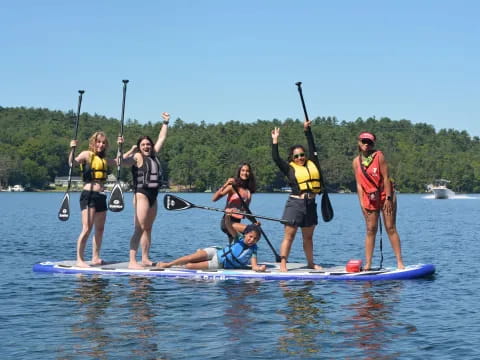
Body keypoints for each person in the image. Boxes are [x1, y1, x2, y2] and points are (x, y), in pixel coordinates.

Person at [271, 120, 323, 272]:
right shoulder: (289, 169)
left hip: (310, 204)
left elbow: (312, 146)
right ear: (292, 158)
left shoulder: (311, 162)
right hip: (295, 205)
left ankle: (310, 263)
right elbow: (275, 158)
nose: (300, 158)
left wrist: (307, 131)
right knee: (289, 236)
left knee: (308, 237)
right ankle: (283, 264)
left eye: (302, 155)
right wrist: (275, 141)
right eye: (297, 156)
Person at [122, 112, 170, 269]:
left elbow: (161, 138)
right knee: (139, 228)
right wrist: (127, 149)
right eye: (143, 145)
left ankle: (145, 258)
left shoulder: (154, 155)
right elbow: (122, 162)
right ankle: (132, 261)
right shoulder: (137, 157)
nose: (146, 146)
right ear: (139, 147)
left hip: (153, 196)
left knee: (148, 228)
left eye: (148, 144)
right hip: (141, 194)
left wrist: (165, 123)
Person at [352, 131, 405, 270]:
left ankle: (399, 262)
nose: (366, 144)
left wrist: (388, 198)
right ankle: (368, 263)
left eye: (369, 142)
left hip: (384, 194)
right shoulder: (356, 162)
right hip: (369, 198)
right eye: (363, 141)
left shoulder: (379, 156)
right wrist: (362, 203)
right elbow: (359, 185)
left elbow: (386, 177)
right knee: (370, 229)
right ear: (359, 142)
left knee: (390, 227)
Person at [69, 131, 123, 267]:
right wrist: (72, 148)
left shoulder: (104, 159)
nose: (101, 145)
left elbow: (118, 162)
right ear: (93, 142)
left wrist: (120, 146)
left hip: (101, 196)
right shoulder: (86, 154)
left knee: (100, 229)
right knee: (87, 228)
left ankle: (95, 257)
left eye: (103, 143)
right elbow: (72, 163)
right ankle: (80, 260)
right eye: (98, 142)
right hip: (89, 195)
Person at [156, 213, 266, 271]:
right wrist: (227, 216)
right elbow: (228, 226)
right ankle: (168, 264)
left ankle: (197, 256)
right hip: (216, 252)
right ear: (245, 234)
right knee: (189, 258)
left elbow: (254, 266)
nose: (252, 240)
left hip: (218, 263)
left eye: (255, 239)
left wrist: (260, 269)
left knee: (189, 266)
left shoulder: (253, 250)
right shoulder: (238, 238)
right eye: (250, 236)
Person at [211, 163, 257, 243]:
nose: (245, 173)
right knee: (251, 230)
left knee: (234, 247)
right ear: (239, 172)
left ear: (250, 173)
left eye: (247, 171)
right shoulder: (232, 187)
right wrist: (226, 184)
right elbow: (214, 199)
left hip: (237, 222)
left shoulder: (248, 192)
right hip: (227, 222)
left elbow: (246, 212)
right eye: (243, 170)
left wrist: (255, 222)